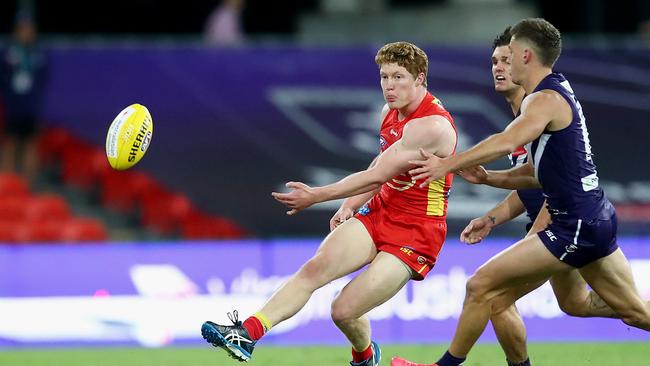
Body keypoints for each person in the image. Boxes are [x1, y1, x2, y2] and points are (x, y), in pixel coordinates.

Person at [391, 18, 650, 366]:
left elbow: (507, 141)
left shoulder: (543, 99)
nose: (502, 63)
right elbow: (538, 174)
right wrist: (488, 181)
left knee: (481, 286)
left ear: (526, 55)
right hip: (590, 217)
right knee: (609, 308)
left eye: (508, 55)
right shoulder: (552, 93)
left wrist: (446, 165)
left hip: (572, 224)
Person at [201, 41, 458, 365]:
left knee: (343, 311)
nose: (389, 86)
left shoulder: (431, 126)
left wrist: (317, 196)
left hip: (417, 231)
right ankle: (247, 334)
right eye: (384, 77)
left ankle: (365, 356)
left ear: (420, 78)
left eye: (398, 77)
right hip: (382, 210)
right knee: (314, 268)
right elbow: (378, 169)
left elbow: (378, 175)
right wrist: (349, 205)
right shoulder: (389, 112)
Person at [0, 10, 47, 183]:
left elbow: (43, 79)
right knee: (10, 144)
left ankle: (28, 185)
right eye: (22, 29)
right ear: (16, 31)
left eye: (29, 29)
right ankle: (5, 185)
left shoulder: (39, 54)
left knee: (31, 145)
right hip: (12, 107)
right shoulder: (7, 54)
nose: (26, 33)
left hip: (30, 108)